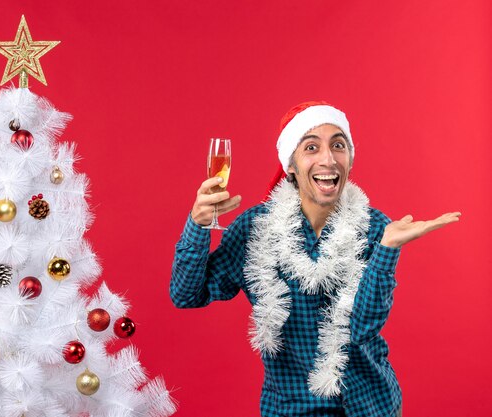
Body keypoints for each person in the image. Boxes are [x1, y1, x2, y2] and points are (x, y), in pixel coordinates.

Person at [170, 101, 460, 417]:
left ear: (349, 159)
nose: (328, 158)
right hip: (291, 408)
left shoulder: (377, 227)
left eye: (339, 145)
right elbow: (186, 295)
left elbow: (362, 327)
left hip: (371, 406)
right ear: (290, 165)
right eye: (311, 147)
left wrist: (388, 249)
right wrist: (197, 226)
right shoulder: (256, 229)